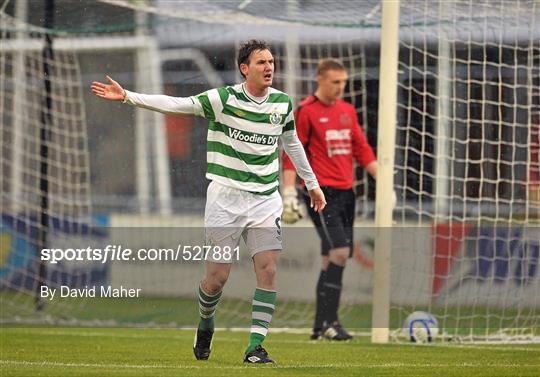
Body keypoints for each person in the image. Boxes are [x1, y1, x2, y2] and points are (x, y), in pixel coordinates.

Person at [91, 40, 326, 363]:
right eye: (261, 63)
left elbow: (292, 144)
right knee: (217, 279)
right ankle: (205, 323)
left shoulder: (282, 104)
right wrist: (130, 97)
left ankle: (254, 347)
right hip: (225, 200)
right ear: (245, 68)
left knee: (268, 269)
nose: (269, 67)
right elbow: (176, 104)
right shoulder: (223, 99)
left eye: (271, 62)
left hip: (264, 200)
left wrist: (311, 184)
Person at [282, 58, 377, 341]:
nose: (340, 87)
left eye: (343, 82)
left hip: (348, 194)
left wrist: (384, 181)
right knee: (340, 253)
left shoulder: (347, 111)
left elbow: (361, 148)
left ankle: (319, 325)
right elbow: (291, 153)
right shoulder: (306, 112)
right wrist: (288, 192)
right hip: (320, 195)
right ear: (320, 80)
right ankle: (331, 322)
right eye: (335, 82)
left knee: (329, 259)